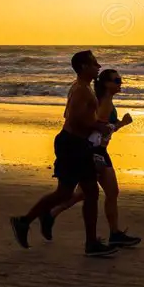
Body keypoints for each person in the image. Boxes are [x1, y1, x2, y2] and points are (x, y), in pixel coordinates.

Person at [10, 50, 119, 257]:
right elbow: (74, 117)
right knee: (87, 193)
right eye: (94, 63)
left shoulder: (82, 88)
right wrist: (99, 126)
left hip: (75, 144)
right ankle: (90, 243)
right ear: (84, 67)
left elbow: (69, 114)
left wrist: (95, 125)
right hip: (73, 145)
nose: (98, 66)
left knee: (68, 193)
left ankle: (25, 222)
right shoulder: (82, 90)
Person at [48, 69, 142, 247]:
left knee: (86, 193)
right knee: (101, 192)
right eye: (117, 80)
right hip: (95, 152)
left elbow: (102, 127)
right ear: (107, 84)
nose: (120, 83)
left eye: (120, 80)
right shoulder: (102, 103)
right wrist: (122, 123)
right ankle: (112, 235)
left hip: (98, 151)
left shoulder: (106, 101)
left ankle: (52, 214)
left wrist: (116, 125)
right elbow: (98, 129)